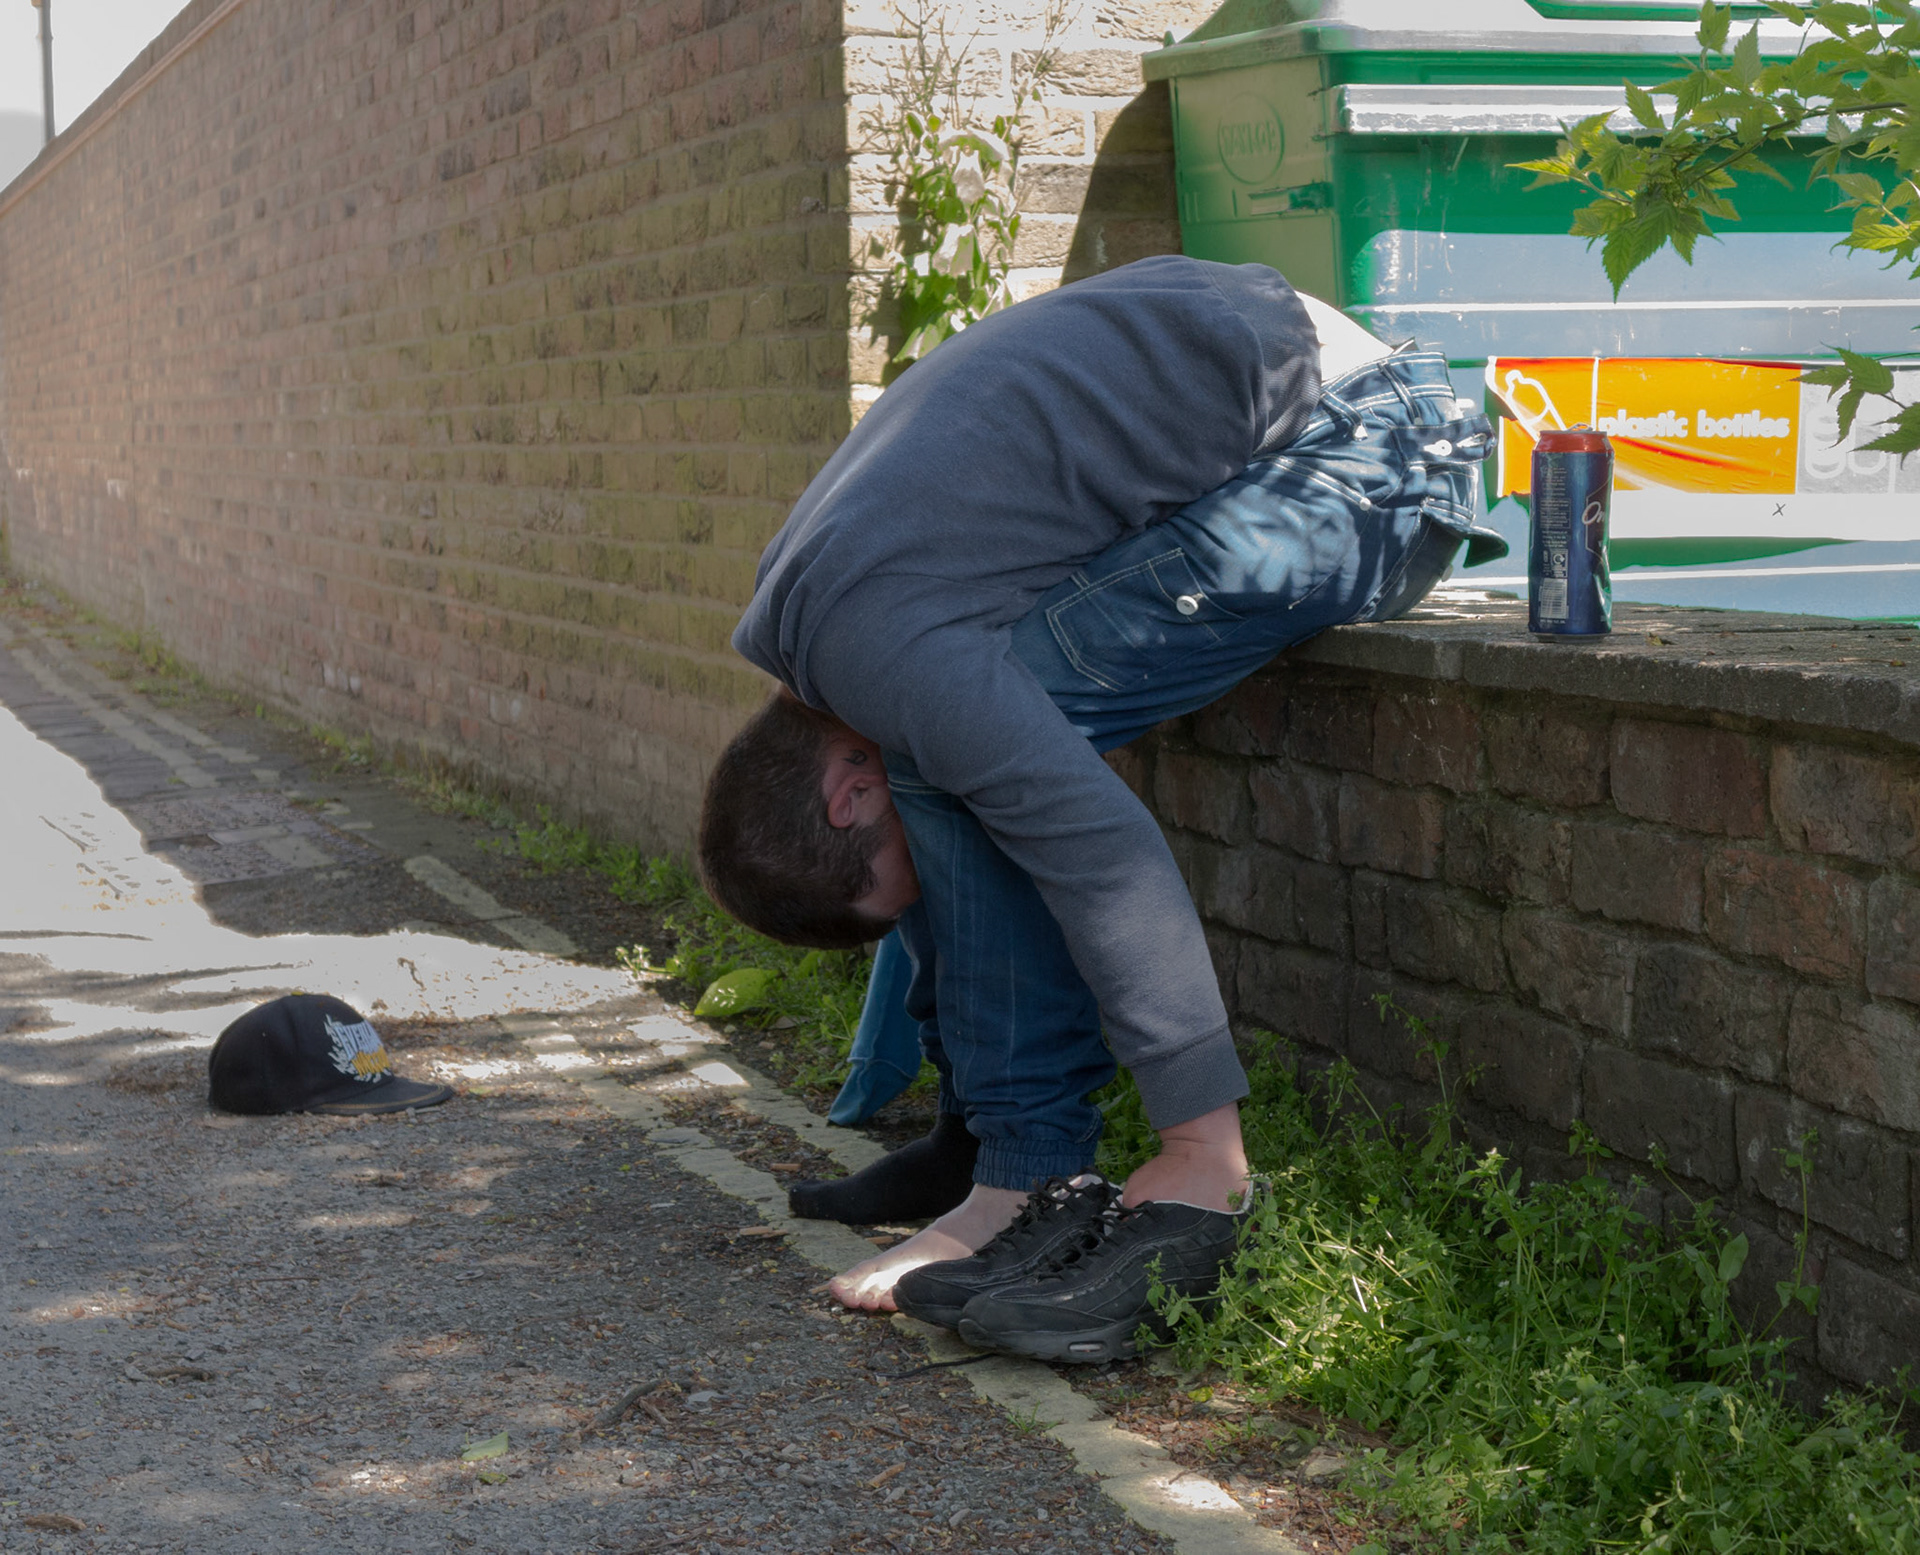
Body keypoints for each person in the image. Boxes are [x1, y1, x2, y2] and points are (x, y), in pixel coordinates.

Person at [698, 256, 1503, 1361]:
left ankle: (1065, 1177)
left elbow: (1098, 847)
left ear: (842, 790)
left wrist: (1194, 1133)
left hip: (1375, 455)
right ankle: (985, 1136)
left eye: (898, 882)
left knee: (952, 766)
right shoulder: (804, 611)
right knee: (944, 760)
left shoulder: (883, 649)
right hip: (1313, 401)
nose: (921, 896)